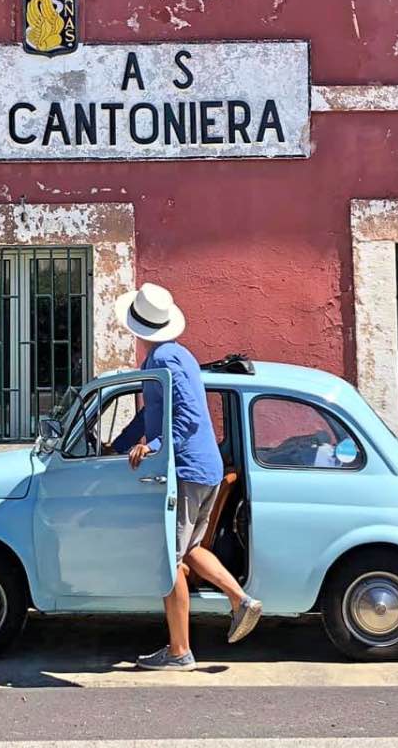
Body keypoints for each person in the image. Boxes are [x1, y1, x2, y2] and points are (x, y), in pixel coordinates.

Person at [114, 282, 262, 671]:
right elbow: (149, 415)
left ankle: (179, 651)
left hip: (187, 470)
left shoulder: (163, 359)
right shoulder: (176, 355)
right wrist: (118, 445)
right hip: (205, 467)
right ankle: (241, 600)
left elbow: (188, 417)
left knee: (171, 559)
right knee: (193, 547)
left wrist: (154, 447)